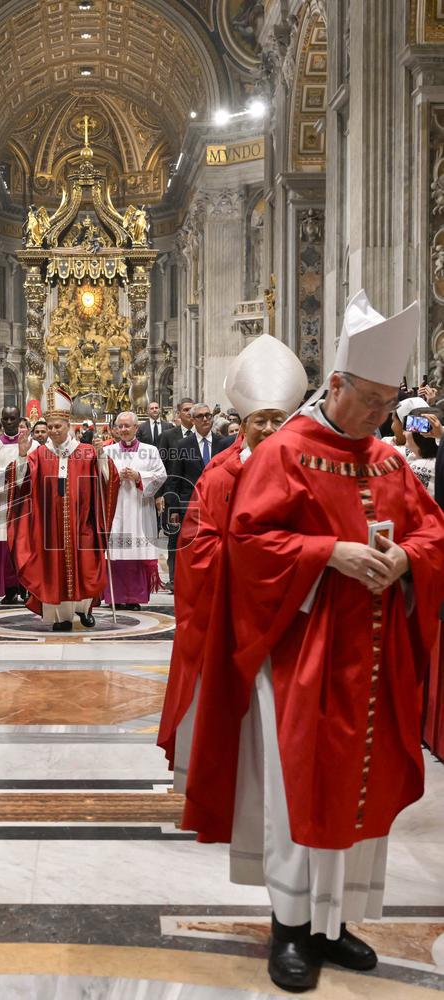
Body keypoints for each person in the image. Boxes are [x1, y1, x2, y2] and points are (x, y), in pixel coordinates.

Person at [184, 292, 444, 992]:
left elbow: (432, 531)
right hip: (303, 655)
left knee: (364, 788)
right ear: (335, 384)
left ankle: (337, 922)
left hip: (377, 658)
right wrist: (328, 553)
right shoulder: (285, 453)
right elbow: (248, 541)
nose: (381, 415)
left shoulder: (388, 460)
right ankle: (292, 926)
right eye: (370, 400)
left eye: (389, 402)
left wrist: (405, 560)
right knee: (299, 789)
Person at [157, 334, 307, 795]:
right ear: (243, 424)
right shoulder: (220, 475)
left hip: (289, 613)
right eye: (261, 420)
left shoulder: (305, 471)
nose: (269, 429)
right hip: (230, 614)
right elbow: (196, 547)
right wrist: (251, 561)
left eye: (278, 420)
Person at [7, 385, 119, 632]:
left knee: (87, 565)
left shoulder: (87, 452)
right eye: (50, 427)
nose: (54, 431)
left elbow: (108, 479)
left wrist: (102, 456)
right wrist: (22, 457)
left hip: (83, 522)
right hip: (50, 527)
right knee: (53, 569)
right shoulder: (40, 454)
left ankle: (85, 609)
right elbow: (21, 484)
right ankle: (60, 617)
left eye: (58, 426)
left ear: (68, 426)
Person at [160, 400, 230, 588]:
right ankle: (181, 581)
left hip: (217, 504)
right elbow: (174, 478)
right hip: (189, 504)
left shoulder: (223, 443)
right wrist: (173, 509)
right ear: (192, 420)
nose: (205, 419)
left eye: (208, 415)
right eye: (200, 416)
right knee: (188, 545)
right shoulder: (183, 445)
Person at [102, 410, 167, 610]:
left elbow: (161, 475)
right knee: (116, 552)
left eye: (127, 426)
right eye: (120, 426)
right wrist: (115, 477)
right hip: (116, 509)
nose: (123, 429)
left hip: (140, 508)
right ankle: (116, 596)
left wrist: (138, 476)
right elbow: (99, 478)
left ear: (136, 428)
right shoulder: (108, 451)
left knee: (137, 551)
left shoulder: (150, 450)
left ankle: (134, 597)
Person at [0, 406, 38, 604]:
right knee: (3, 548)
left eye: (13, 418)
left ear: (19, 419)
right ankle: (9, 588)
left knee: (25, 546)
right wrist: (7, 473)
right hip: (0, 504)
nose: (9, 422)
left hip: (25, 505)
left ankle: (27, 586)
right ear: (1, 420)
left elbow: (38, 472)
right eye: (6, 418)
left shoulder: (34, 446)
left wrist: (20, 469)